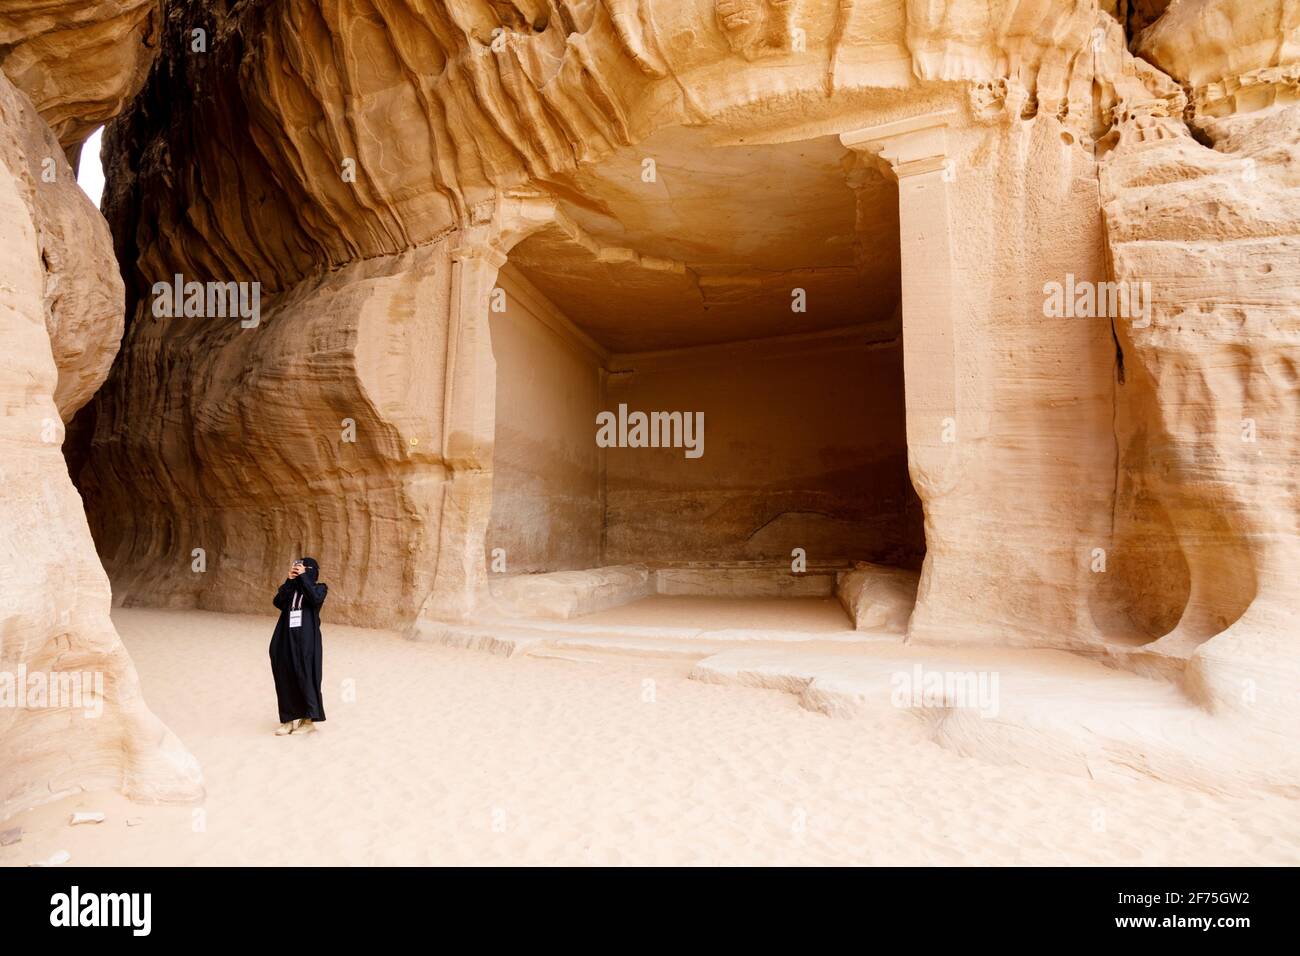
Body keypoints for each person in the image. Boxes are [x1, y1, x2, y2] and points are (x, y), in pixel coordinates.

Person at [269, 556, 328, 735]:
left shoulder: (319, 588)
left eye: (304, 569)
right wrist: (290, 580)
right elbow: (278, 602)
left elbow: (315, 599)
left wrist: (303, 578)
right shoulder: (292, 589)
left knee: (306, 676)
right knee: (285, 676)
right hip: (285, 638)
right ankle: (287, 720)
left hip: (307, 641)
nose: (300, 570)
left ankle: (308, 721)